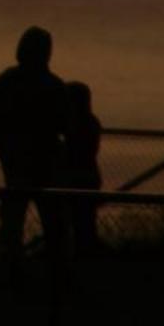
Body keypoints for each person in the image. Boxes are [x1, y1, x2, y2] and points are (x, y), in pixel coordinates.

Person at [0, 26, 68, 261]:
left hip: (21, 161)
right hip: (42, 162)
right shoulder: (54, 85)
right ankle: (53, 269)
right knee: (50, 222)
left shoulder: (8, 81)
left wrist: (1, 147)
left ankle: (12, 267)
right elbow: (69, 126)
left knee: (16, 221)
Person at [62, 80, 102, 257]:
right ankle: (84, 252)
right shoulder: (91, 122)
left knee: (77, 220)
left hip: (77, 177)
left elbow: (76, 149)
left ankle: (81, 253)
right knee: (84, 220)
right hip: (89, 176)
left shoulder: (77, 123)